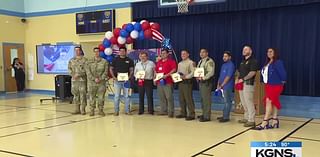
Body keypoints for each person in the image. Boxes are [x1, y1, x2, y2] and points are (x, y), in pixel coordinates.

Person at [254, 48, 287, 130]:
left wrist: (281, 82)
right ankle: (275, 120)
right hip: (268, 85)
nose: (268, 53)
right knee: (274, 101)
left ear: (275, 53)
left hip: (275, 85)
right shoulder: (267, 63)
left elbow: (283, 74)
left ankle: (265, 121)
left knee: (268, 101)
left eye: (271, 51)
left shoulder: (278, 62)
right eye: (268, 51)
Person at [237, 45, 259, 127]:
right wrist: (238, 80)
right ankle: (246, 117)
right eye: (243, 49)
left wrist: (243, 79)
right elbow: (240, 73)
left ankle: (251, 120)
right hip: (241, 84)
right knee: (243, 101)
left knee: (249, 101)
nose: (244, 51)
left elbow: (253, 72)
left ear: (250, 51)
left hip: (248, 83)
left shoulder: (253, 61)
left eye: (246, 49)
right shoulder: (242, 62)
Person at [110, 47, 134, 116]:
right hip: (117, 81)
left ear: (126, 52)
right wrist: (114, 77)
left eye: (123, 51)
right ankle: (116, 111)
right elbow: (111, 69)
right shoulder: (115, 60)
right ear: (119, 52)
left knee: (126, 96)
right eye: (121, 51)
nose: (122, 52)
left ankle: (127, 111)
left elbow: (131, 70)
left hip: (126, 81)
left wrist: (129, 77)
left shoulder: (129, 60)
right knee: (117, 96)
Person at [86, 47, 109, 116]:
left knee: (101, 97)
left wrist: (100, 79)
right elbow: (88, 72)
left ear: (100, 52)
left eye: (98, 51)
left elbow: (105, 72)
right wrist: (94, 79)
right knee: (91, 97)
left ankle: (100, 110)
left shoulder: (104, 61)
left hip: (101, 83)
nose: (96, 53)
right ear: (93, 52)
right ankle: (92, 110)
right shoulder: (89, 62)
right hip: (91, 83)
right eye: (95, 52)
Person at [154, 49, 177, 118]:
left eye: (164, 53)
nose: (163, 55)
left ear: (167, 54)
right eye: (162, 53)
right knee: (161, 97)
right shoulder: (159, 62)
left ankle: (171, 112)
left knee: (169, 97)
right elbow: (156, 71)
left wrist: (167, 75)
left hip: (168, 82)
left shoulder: (171, 61)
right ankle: (163, 110)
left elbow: (174, 69)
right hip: (159, 82)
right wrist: (155, 79)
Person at [176, 50, 196, 120]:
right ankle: (183, 112)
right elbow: (178, 72)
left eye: (184, 54)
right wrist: (176, 77)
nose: (183, 55)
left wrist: (186, 77)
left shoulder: (191, 62)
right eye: (182, 54)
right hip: (181, 82)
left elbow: (193, 72)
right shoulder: (180, 63)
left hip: (187, 82)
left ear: (188, 54)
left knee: (188, 99)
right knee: (181, 98)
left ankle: (191, 114)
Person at [196, 49, 215, 122]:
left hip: (206, 82)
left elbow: (211, 72)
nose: (201, 53)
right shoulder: (200, 61)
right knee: (202, 99)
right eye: (200, 52)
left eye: (203, 52)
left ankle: (207, 116)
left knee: (206, 99)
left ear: (207, 53)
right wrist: (197, 77)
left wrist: (203, 78)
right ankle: (204, 113)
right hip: (201, 82)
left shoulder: (209, 61)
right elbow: (198, 71)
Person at [68, 46, 88, 115]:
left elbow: (86, 70)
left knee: (83, 95)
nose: (77, 52)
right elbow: (69, 69)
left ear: (81, 51)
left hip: (82, 81)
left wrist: (79, 74)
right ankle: (77, 109)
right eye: (75, 50)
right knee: (75, 95)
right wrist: (73, 75)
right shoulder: (71, 60)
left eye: (78, 50)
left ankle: (83, 109)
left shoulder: (85, 60)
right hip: (74, 81)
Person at [216, 51, 235, 122]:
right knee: (225, 101)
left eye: (226, 56)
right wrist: (218, 84)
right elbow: (220, 76)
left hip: (227, 86)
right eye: (224, 56)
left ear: (229, 57)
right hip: (221, 86)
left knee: (228, 101)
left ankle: (226, 117)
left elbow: (228, 76)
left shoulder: (231, 65)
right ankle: (224, 115)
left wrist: (222, 85)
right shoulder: (223, 65)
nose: (224, 57)